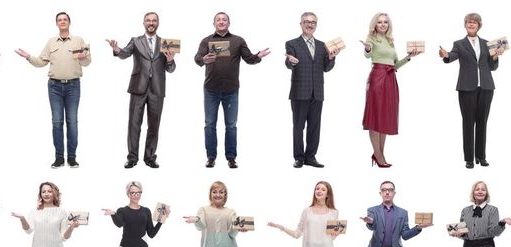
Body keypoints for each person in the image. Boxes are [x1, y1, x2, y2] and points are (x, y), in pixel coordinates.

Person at [194, 12, 270, 169]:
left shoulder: (238, 40)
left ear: (229, 23)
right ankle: (211, 157)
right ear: (213, 23)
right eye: (218, 20)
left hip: (231, 90)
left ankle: (231, 158)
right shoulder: (206, 40)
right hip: (211, 90)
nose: (221, 22)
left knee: (231, 125)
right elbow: (197, 58)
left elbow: (249, 59)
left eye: (224, 20)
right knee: (209, 124)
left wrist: (258, 56)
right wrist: (203, 59)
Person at [15, 12, 91, 169]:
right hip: (54, 87)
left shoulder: (78, 40)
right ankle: (59, 158)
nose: (62, 22)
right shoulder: (51, 42)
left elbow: (87, 63)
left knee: (72, 122)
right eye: (59, 20)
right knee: (57, 122)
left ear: (70, 22)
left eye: (65, 19)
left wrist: (83, 57)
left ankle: (71, 157)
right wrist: (28, 56)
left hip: (73, 86)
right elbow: (41, 62)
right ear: (56, 23)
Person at [107, 12, 177, 169]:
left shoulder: (166, 43)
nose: (151, 23)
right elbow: (124, 53)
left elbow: (170, 69)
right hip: (138, 87)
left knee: (154, 125)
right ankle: (132, 157)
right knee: (134, 124)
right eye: (148, 20)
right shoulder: (136, 41)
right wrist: (117, 50)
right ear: (143, 23)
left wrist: (171, 60)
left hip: (157, 89)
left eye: (154, 20)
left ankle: (150, 157)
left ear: (158, 23)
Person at [440, 13, 503, 169]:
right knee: (468, 123)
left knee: (482, 123)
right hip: (467, 88)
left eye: (474, 22)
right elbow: (451, 57)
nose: (471, 24)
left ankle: (481, 156)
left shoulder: (488, 43)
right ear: (465, 25)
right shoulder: (459, 44)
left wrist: (495, 56)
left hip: (486, 87)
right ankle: (469, 158)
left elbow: (493, 67)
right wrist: (446, 55)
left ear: (479, 25)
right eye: (469, 22)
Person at [361, 13, 420, 168]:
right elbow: (367, 55)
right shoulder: (371, 39)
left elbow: (395, 65)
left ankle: (380, 154)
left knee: (385, 116)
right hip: (377, 78)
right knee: (376, 116)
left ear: (389, 24)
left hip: (390, 78)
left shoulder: (390, 41)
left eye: (385, 22)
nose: (382, 24)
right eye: (379, 22)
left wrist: (409, 57)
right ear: (375, 24)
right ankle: (379, 155)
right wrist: (367, 49)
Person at [286, 12, 339, 169]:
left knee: (315, 126)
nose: (310, 25)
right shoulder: (292, 43)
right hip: (299, 91)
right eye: (307, 22)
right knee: (298, 126)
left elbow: (326, 68)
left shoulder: (323, 45)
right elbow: (289, 63)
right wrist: (291, 62)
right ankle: (299, 157)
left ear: (316, 25)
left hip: (318, 92)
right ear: (301, 24)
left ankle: (311, 157)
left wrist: (331, 57)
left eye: (313, 22)